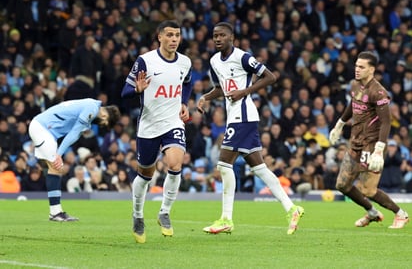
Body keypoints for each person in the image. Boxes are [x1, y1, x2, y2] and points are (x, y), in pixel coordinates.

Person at [197, 22, 304, 235]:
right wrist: (206, 97)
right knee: (259, 168)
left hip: (244, 116)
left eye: (222, 35)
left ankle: (226, 218)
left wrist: (245, 91)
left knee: (223, 164)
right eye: (215, 35)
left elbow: (271, 77)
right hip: (235, 117)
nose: (217, 39)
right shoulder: (214, 61)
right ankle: (292, 208)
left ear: (232, 38)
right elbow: (220, 88)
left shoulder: (243, 57)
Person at [121, 20, 192, 244]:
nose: (174, 39)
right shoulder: (145, 61)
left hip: (173, 122)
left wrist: (184, 102)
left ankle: (164, 212)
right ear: (159, 37)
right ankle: (138, 216)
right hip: (149, 126)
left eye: (177, 35)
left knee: (175, 163)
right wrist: (137, 90)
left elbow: (187, 83)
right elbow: (124, 92)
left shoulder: (185, 62)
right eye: (169, 35)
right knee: (145, 175)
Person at [329, 51, 409, 229]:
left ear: (371, 69)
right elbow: (352, 104)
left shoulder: (378, 92)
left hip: (372, 145)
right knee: (342, 184)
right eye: (356, 66)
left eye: (361, 67)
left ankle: (401, 214)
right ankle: (372, 213)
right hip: (355, 142)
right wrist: (340, 124)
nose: (357, 69)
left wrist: (379, 149)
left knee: (368, 190)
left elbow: (386, 122)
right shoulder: (356, 85)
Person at [28, 98, 120, 221]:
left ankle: (55, 212)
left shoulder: (90, 105)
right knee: (56, 167)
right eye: (104, 123)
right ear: (104, 116)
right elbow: (74, 132)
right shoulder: (92, 109)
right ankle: (55, 213)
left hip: (44, 129)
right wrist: (59, 153)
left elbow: (75, 134)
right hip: (42, 128)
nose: (101, 124)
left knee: (55, 168)